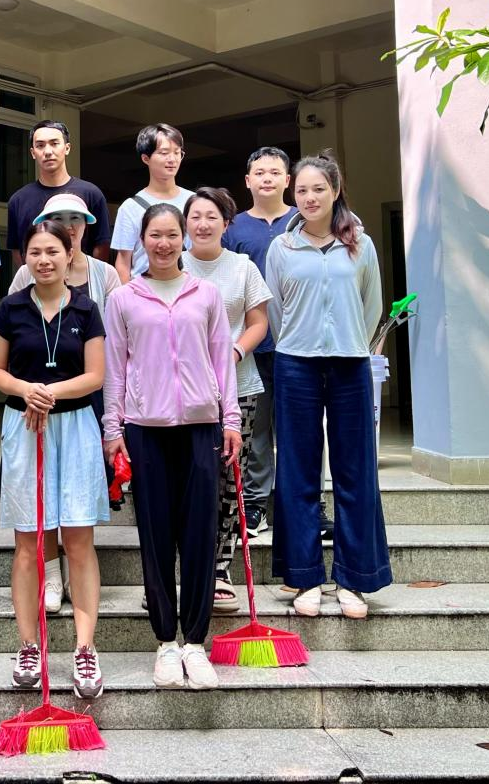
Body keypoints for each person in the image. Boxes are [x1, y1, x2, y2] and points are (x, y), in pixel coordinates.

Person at [102, 204, 240, 690]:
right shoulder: (123, 298)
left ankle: (195, 642)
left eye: (171, 235)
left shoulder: (206, 294)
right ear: (142, 240)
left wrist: (231, 420)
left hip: (201, 427)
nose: (163, 244)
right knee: (155, 536)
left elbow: (222, 360)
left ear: (184, 238)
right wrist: (113, 429)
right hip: (145, 429)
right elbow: (115, 368)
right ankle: (165, 640)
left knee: (200, 535)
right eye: (154, 236)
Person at [265, 153, 388, 620]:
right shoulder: (282, 248)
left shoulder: (361, 245)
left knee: (355, 470)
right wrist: (299, 341)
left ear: (335, 191)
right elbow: (275, 311)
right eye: (301, 190)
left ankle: (355, 578)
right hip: (295, 364)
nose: (310, 197)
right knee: (297, 471)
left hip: (350, 364)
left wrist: (351, 341)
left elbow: (371, 306)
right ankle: (304, 576)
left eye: (318, 189)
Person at [0, 221, 108, 699]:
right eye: (35, 252)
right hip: (23, 425)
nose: (44, 260)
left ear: (69, 253)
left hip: (75, 426)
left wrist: (49, 393)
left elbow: (96, 376)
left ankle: (84, 648)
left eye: (53, 251)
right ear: (25, 258)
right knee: (29, 542)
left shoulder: (87, 308)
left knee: (78, 540)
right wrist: (27, 391)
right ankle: (28, 647)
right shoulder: (11, 307)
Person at [7, 191, 118, 612]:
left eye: (76, 218)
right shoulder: (25, 278)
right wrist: (30, 391)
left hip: (83, 401)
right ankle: (51, 573)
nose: (69, 224)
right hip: (29, 407)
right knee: (39, 498)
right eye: (59, 217)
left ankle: (77, 572)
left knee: (77, 496)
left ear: (84, 229)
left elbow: (112, 342)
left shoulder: (104, 274)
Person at [222, 147, 332, 538]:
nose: (266, 178)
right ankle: (254, 505)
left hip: (300, 346)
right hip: (251, 347)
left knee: (303, 429)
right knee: (256, 430)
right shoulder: (233, 229)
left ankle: (310, 505)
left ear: (288, 180)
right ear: (247, 180)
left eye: (274, 172)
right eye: (259, 172)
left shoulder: (305, 220)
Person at [182, 187, 271, 613]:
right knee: (184, 479)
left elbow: (259, 322)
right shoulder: (172, 264)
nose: (202, 224)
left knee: (228, 480)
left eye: (211, 217)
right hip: (180, 393)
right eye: (195, 216)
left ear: (226, 223)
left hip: (239, 387)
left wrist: (232, 352)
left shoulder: (243, 267)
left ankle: (220, 567)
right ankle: (185, 566)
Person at [6, 120, 111, 267]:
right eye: (40, 145)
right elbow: (18, 250)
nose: (48, 151)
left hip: (83, 278)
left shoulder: (91, 194)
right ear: (33, 153)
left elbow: (101, 245)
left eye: (54, 143)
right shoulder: (18, 200)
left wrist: (89, 277)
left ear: (67, 148)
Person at [111, 124, 194, 283]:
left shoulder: (194, 202)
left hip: (188, 289)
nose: (172, 159)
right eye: (164, 153)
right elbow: (123, 262)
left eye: (177, 153)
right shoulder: (130, 208)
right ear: (146, 158)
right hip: (144, 290)